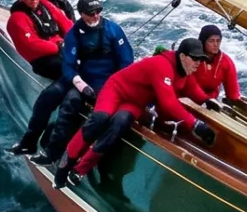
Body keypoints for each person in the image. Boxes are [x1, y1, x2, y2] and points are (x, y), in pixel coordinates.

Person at [54, 42, 209, 189]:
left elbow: (192, 88)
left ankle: (81, 169)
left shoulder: (185, 71)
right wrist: (194, 124)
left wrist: (207, 100)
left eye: (200, 59)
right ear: (182, 56)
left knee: (119, 124)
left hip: (134, 102)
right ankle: (64, 165)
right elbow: (168, 102)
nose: (198, 63)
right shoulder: (161, 65)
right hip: (116, 90)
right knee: (99, 119)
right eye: (195, 59)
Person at [23, 0, 132, 161]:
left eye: (98, 11)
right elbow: (68, 65)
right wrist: (81, 85)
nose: (95, 16)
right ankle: (52, 154)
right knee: (69, 104)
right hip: (86, 82)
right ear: (81, 14)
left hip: (111, 84)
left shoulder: (114, 30)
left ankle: (87, 158)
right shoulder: (74, 34)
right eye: (91, 13)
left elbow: (126, 61)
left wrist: (118, 87)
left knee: (103, 116)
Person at [6, 0, 72, 78]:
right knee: (65, 66)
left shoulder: (45, 4)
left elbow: (65, 22)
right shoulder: (17, 18)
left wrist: (73, 40)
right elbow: (31, 45)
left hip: (61, 48)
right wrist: (58, 47)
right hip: (41, 59)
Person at [175, 24, 242, 109]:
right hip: (186, 99)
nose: (215, 44)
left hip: (211, 104)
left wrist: (234, 105)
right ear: (203, 41)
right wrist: (205, 99)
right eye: (211, 41)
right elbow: (187, 83)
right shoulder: (192, 57)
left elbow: (233, 92)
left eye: (218, 41)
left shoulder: (226, 62)